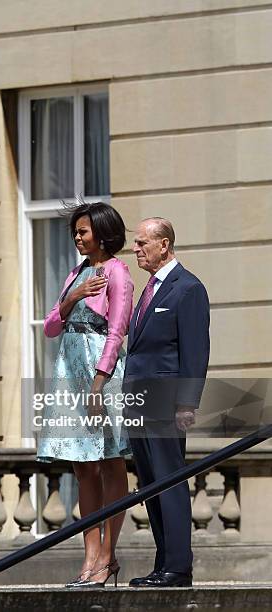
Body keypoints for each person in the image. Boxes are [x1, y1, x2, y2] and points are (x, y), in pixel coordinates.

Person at [37, 201, 134, 588]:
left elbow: (117, 331)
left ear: (103, 233)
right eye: (75, 232)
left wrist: (99, 382)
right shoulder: (75, 274)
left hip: (101, 371)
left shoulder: (119, 273)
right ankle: (90, 556)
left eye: (83, 231)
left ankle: (108, 556)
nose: (77, 237)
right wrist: (74, 296)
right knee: (81, 465)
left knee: (110, 461)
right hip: (68, 370)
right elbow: (50, 327)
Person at [124, 217, 210, 588]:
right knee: (150, 484)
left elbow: (195, 351)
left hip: (166, 403)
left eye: (143, 242)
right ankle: (163, 564)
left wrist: (187, 403)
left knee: (170, 481)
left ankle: (178, 566)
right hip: (139, 402)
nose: (136, 248)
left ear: (165, 244)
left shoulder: (187, 288)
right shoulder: (150, 290)